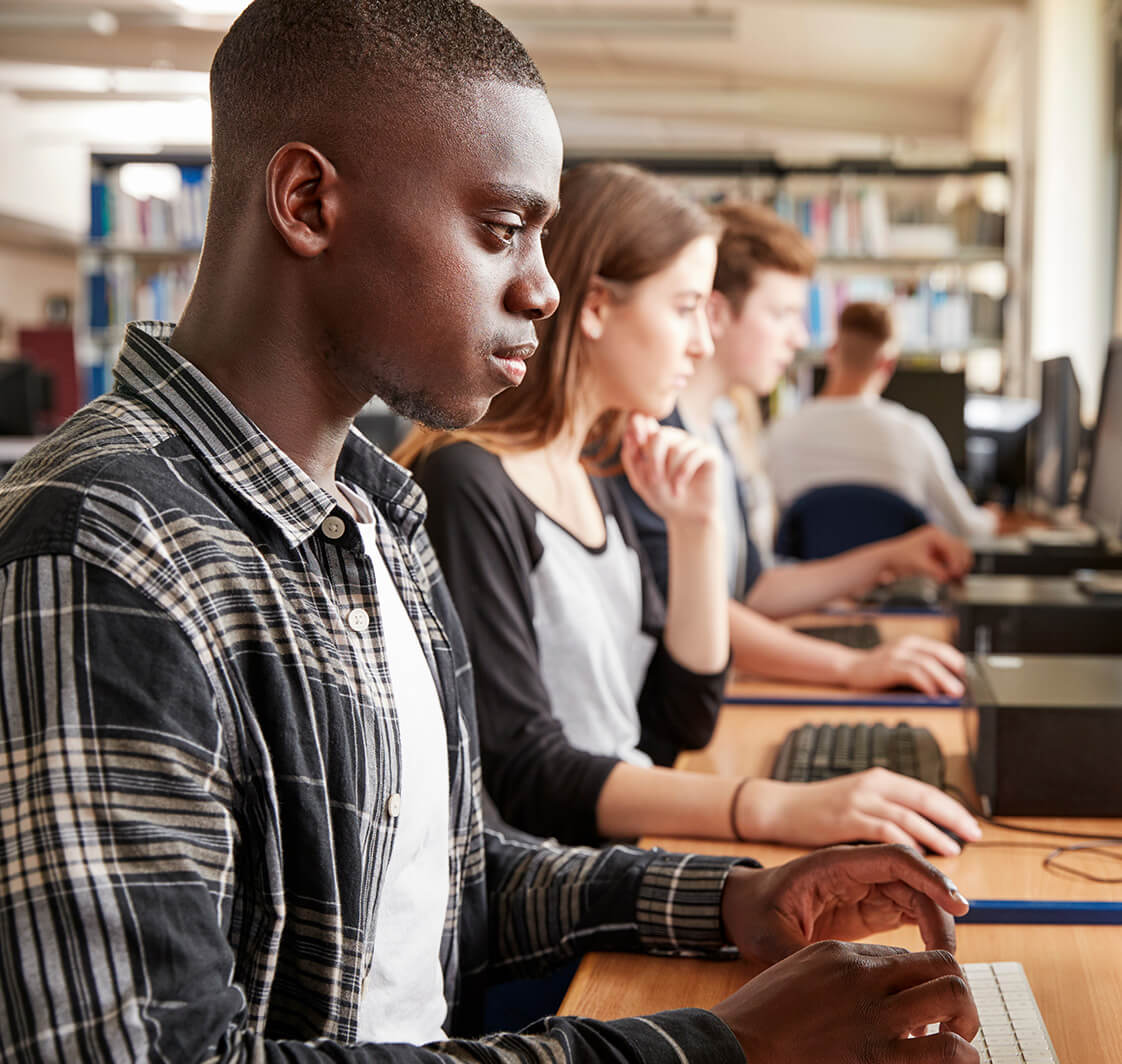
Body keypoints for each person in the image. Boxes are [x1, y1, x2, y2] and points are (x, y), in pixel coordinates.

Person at [0, 3, 981, 1061]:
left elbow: (459, 876)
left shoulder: (378, 517)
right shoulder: (104, 549)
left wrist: (733, 898)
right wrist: (712, 1047)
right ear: (307, 201)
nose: (545, 287)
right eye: (501, 229)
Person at [400, 163, 979, 858]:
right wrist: (772, 807)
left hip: (618, 858)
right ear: (595, 308)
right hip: (544, 901)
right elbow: (528, 775)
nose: (701, 343)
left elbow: (682, 720)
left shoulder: (597, 472)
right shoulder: (469, 483)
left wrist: (697, 529)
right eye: (683, 310)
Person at [617, 202, 980, 711]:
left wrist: (889, 557)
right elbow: (698, 608)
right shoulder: (651, 439)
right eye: (782, 314)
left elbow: (755, 591)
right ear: (717, 314)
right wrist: (853, 667)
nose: (801, 336)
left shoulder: (718, 427)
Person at [763, 300, 1000, 539]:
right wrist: (993, 517)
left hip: (805, 576)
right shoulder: (913, 434)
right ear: (888, 364)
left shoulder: (779, 435)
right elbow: (968, 528)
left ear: (831, 351)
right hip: (897, 575)